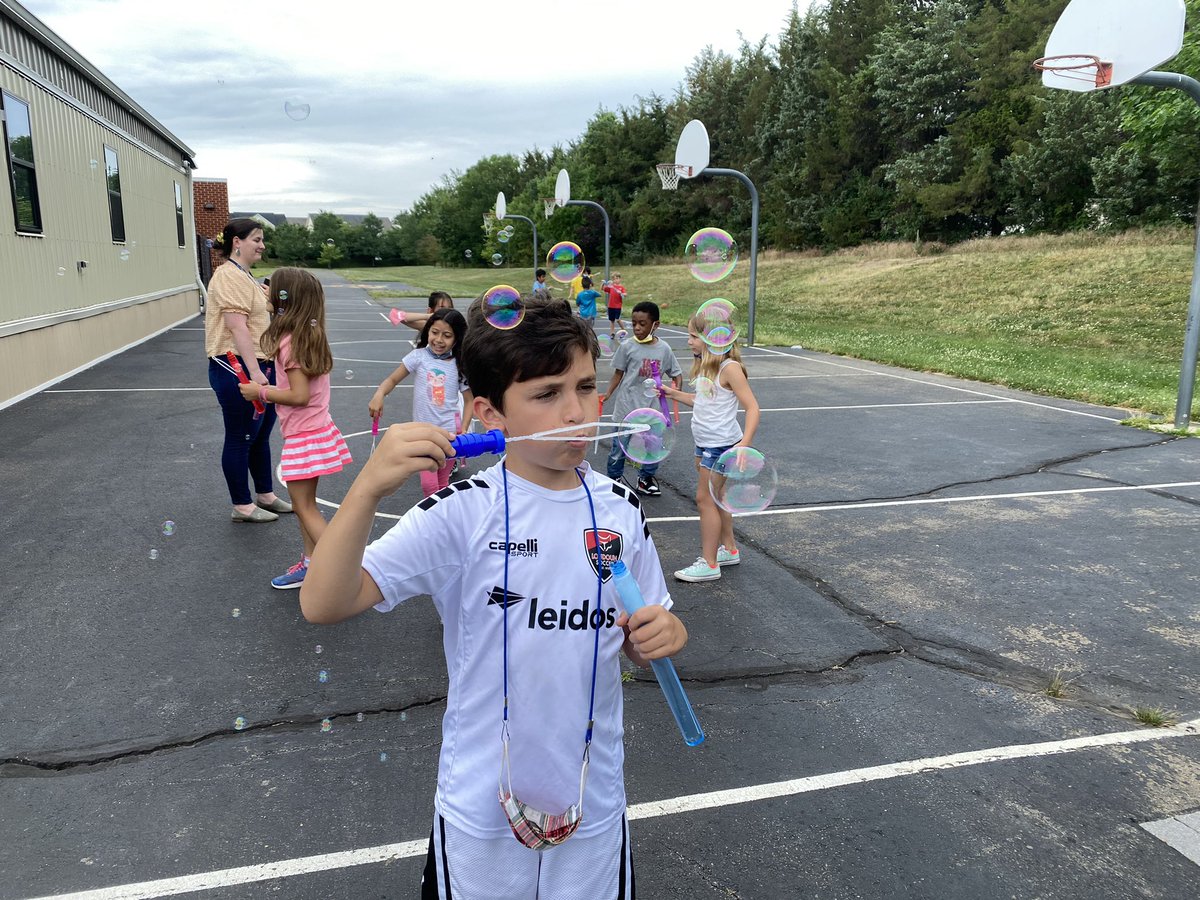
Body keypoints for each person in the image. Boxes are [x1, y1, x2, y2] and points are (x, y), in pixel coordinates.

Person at [300, 295, 687, 899]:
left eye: (585, 387)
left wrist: (661, 635)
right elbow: (323, 602)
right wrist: (367, 488)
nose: (574, 412)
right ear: (488, 412)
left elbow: (643, 631)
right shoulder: (462, 514)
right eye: (545, 394)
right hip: (480, 811)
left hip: (593, 801)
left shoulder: (619, 509)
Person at [239, 268, 352, 589]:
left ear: (287, 299)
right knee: (306, 506)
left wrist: (259, 392)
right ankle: (311, 563)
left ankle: (346, 569)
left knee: (304, 507)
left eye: (272, 289)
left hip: (305, 436)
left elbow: (299, 396)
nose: (267, 292)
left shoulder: (291, 343)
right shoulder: (307, 336)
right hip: (314, 432)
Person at [660, 312, 761, 583]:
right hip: (704, 443)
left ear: (713, 339)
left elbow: (752, 407)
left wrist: (744, 445)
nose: (689, 341)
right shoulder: (708, 367)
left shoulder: (730, 368)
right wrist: (672, 394)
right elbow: (701, 401)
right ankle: (728, 549)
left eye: (694, 336)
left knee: (705, 499)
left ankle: (710, 563)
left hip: (720, 446)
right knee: (718, 497)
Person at [204, 218, 292, 523]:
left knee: (260, 435)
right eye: (257, 239)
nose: (263, 245)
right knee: (240, 436)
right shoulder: (228, 276)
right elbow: (237, 327)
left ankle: (265, 495)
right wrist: (255, 373)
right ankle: (241, 505)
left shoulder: (246, 276)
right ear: (237, 242)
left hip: (258, 365)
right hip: (236, 367)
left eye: (262, 240)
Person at [368, 308, 473, 497]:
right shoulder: (418, 357)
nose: (439, 340)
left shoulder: (458, 364)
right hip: (423, 435)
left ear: (457, 338)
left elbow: (469, 400)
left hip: (450, 434)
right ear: (427, 331)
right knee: (429, 484)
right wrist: (379, 394)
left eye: (447, 335)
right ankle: (435, 520)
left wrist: (463, 428)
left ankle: (441, 520)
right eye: (434, 332)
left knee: (442, 481)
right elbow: (392, 380)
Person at [600, 301, 682, 497]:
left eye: (642, 324)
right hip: (627, 408)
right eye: (634, 323)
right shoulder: (628, 346)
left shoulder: (664, 349)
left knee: (653, 447)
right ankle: (614, 479)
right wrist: (608, 393)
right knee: (619, 448)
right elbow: (618, 374)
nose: (637, 327)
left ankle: (645, 479)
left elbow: (676, 373)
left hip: (653, 409)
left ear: (656, 325)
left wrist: (676, 389)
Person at [601, 273, 627, 337]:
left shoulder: (621, 287)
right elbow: (603, 289)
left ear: (620, 279)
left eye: (617, 278)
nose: (616, 280)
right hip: (611, 306)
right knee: (612, 320)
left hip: (618, 306)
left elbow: (625, 294)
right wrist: (603, 283)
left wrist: (621, 293)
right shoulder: (611, 287)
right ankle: (612, 333)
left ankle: (623, 330)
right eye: (614, 279)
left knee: (617, 319)